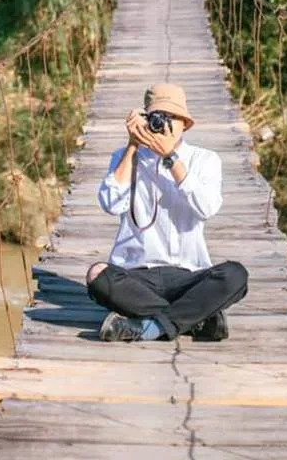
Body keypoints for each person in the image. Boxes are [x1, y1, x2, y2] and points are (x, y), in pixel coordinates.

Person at [86, 83, 248, 343]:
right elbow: (110, 203)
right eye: (157, 117)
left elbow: (206, 208)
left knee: (235, 276)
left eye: (171, 117)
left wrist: (171, 158)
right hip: (137, 275)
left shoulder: (205, 159)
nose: (163, 123)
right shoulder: (124, 156)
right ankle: (196, 319)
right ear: (145, 120)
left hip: (190, 274)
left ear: (185, 123)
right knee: (97, 276)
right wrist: (132, 146)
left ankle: (148, 327)